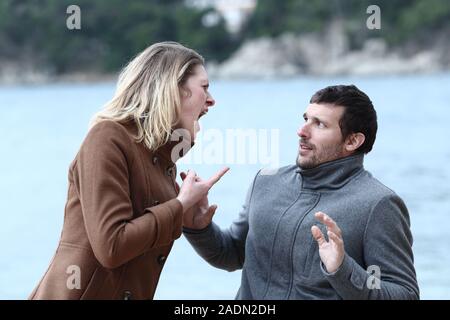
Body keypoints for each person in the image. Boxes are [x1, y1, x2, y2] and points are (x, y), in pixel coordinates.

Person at [29, 41, 228, 300]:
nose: (212, 100)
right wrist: (179, 206)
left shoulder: (163, 161)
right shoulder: (107, 138)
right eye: (204, 87)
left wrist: (188, 220)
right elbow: (112, 246)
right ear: (173, 90)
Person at [183, 85, 419, 299]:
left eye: (320, 124)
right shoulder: (266, 182)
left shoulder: (378, 204)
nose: (302, 131)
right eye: (306, 119)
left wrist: (342, 269)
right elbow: (233, 254)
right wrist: (198, 228)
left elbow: (404, 294)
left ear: (352, 141)